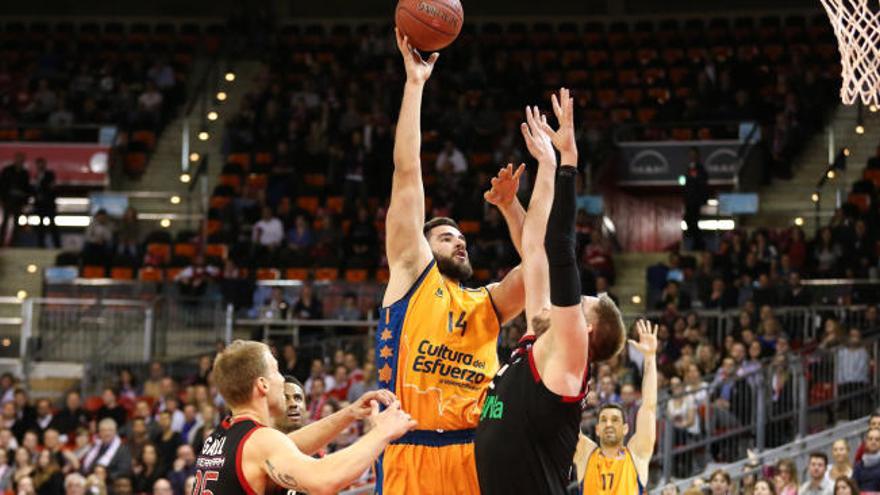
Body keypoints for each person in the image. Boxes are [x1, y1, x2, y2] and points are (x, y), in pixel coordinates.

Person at [374, 30, 527, 495]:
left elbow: (541, 267)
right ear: (421, 247)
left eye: (463, 238)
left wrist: (510, 209)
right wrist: (415, 84)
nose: (460, 243)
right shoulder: (409, 275)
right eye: (446, 237)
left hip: (474, 451)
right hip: (409, 450)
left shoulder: (489, 302)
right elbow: (406, 173)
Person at [476, 94, 626, 494]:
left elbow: (559, 248)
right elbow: (536, 252)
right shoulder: (539, 343)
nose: (570, 304)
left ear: (587, 330)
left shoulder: (571, 355)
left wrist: (569, 163)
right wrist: (545, 165)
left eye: (580, 307)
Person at [192, 340, 414, 495]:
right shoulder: (260, 441)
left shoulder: (221, 436)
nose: (282, 379)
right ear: (262, 385)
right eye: (277, 371)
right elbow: (324, 480)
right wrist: (382, 433)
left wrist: (349, 414)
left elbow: (290, 445)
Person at [576, 317, 657, 495]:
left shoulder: (637, 455)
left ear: (626, 428)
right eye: (604, 420)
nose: (609, 424)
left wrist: (650, 358)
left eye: (615, 420)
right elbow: (564, 415)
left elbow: (649, 407)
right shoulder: (585, 454)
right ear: (597, 429)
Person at [0, 153, 31, 246]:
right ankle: (1, 242)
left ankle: (14, 243)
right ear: (15, 159)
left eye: (21, 159)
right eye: (18, 158)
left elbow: (27, 188)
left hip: (19, 202)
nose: (20, 160)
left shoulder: (25, 173)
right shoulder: (7, 170)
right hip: (8, 200)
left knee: (17, 223)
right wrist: (2, 199)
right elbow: (2, 185)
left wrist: (25, 200)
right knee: (5, 221)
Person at [683, 147, 709, 250]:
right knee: (689, 221)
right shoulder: (688, 168)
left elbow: (702, 182)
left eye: (694, 154)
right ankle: (698, 243)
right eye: (691, 154)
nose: (692, 157)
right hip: (689, 201)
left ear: (698, 156)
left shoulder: (700, 169)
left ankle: (699, 244)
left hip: (696, 201)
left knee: (693, 221)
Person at [32, 158, 59, 248]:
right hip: (40, 205)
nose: (40, 166)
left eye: (42, 164)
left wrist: (43, 193)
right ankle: (41, 245)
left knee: (52, 225)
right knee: (40, 226)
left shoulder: (50, 175)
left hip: (49, 204)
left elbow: (51, 188)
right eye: (38, 164)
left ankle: (57, 244)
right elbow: (35, 190)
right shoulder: (36, 177)